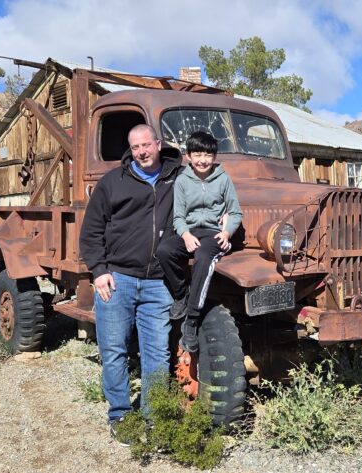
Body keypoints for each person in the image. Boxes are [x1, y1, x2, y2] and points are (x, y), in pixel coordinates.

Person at [79, 124, 182, 443]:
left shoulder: (177, 178)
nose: (141, 152)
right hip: (118, 280)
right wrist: (98, 271)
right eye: (135, 147)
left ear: (158, 144)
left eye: (146, 145)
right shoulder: (113, 182)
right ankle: (120, 415)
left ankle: (153, 417)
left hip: (157, 283)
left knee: (157, 354)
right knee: (114, 351)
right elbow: (91, 231)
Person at [155, 131, 242, 354]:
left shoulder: (223, 178)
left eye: (207, 154)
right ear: (189, 156)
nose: (202, 160)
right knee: (165, 250)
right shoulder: (183, 180)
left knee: (204, 257)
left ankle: (191, 320)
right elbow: (178, 217)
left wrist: (227, 233)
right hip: (191, 232)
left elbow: (234, 212)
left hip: (214, 233)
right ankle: (180, 294)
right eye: (197, 154)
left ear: (214, 156)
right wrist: (184, 234)